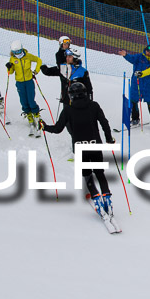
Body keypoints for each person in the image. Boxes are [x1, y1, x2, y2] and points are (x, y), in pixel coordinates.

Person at [39, 82, 117, 218]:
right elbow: (104, 122)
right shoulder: (94, 105)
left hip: (80, 148)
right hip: (95, 145)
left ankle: (96, 198)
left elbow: (57, 129)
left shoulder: (68, 110)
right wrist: (109, 138)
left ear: (71, 96)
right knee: (99, 173)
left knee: (87, 174)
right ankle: (107, 199)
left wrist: (44, 127)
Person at [118, 44, 150, 132]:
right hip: (136, 83)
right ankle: (135, 119)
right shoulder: (139, 57)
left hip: (148, 86)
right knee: (133, 101)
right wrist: (125, 55)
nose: (149, 53)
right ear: (145, 50)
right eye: (148, 51)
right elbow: (131, 58)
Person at [5, 40, 43, 136]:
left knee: (31, 99)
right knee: (23, 100)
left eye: (18, 51)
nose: (17, 54)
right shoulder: (13, 59)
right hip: (20, 82)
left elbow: (39, 60)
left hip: (29, 81)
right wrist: (9, 67)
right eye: (15, 52)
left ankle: (36, 115)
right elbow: (11, 72)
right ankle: (29, 116)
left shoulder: (28, 56)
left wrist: (36, 71)